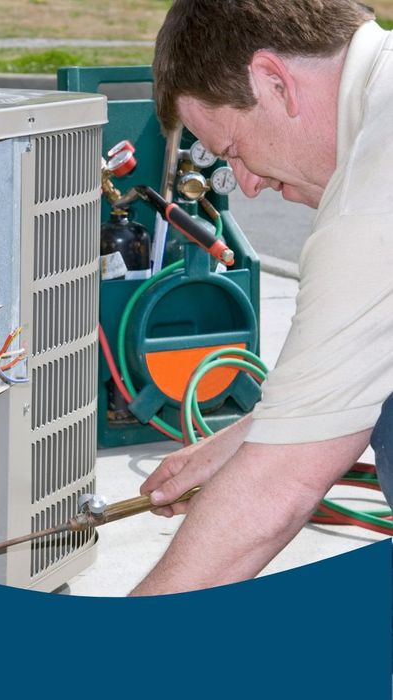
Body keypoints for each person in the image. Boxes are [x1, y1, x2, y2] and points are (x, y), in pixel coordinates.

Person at [129, 0, 393, 596]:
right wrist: (252, 434)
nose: (246, 184)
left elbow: (279, 489)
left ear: (274, 80)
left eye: (232, 150)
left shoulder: (373, 193)